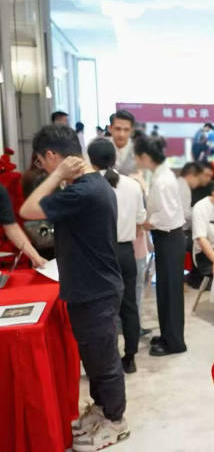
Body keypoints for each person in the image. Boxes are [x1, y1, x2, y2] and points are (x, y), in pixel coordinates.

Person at [20, 125, 129, 448]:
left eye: (42, 162)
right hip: (90, 287)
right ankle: (102, 409)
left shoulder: (84, 191)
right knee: (95, 359)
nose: (43, 169)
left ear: (52, 156)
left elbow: (27, 210)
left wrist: (56, 176)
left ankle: (116, 421)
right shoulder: (89, 186)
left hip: (96, 289)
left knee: (104, 362)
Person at [88, 138, 146, 375]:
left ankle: (105, 359)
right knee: (129, 305)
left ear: (90, 159)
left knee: (101, 309)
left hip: (97, 254)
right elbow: (140, 220)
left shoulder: (85, 185)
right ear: (114, 158)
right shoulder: (132, 185)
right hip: (125, 252)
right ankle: (130, 357)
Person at [134, 136, 187, 357]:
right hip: (166, 237)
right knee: (164, 290)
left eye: (138, 156)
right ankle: (167, 335)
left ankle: (175, 342)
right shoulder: (160, 175)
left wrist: (143, 223)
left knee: (170, 292)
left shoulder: (163, 180)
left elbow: (165, 216)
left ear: (145, 156)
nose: (137, 160)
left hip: (169, 236)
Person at [109, 110, 138, 176]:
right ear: (110, 128)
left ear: (132, 131)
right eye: (118, 129)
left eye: (126, 130)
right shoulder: (99, 147)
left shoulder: (138, 151)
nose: (121, 134)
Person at [178, 162, 203, 231]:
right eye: (198, 179)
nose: (199, 183)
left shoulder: (179, 183)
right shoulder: (183, 188)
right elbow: (185, 214)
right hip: (177, 229)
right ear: (191, 176)